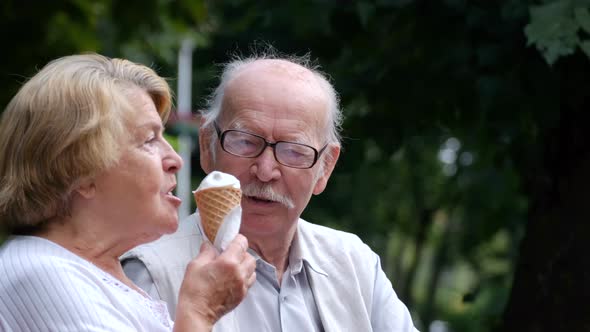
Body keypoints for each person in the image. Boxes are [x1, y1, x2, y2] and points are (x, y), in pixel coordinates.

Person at [123, 50, 419, 331]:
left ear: (325, 168)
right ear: (207, 147)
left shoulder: (354, 264)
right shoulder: (150, 272)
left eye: (293, 151)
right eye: (245, 141)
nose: (265, 171)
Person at [0, 53, 256, 331]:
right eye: (149, 140)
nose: (175, 159)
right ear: (79, 172)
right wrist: (199, 311)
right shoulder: (45, 275)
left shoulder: (88, 272)